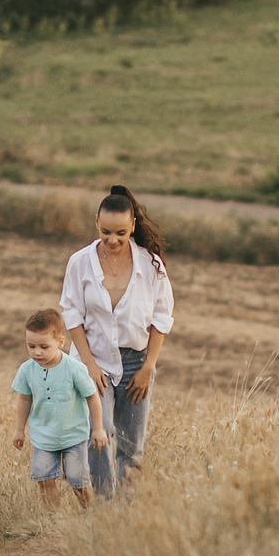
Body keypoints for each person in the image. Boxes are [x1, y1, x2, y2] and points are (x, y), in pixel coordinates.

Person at [59, 185, 174, 499]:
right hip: (93, 359)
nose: (113, 240)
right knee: (100, 433)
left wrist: (149, 366)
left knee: (131, 445)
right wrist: (89, 365)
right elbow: (72, 314)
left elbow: (162, 318)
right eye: (106, 231)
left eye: (121, 233)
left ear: (133, 226)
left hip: (137, 361)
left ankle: (125, 512)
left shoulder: (151, 265)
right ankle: (104, 505)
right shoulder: (80, 262)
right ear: (96, 222)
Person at [11, 307, 106, 512]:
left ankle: (89, 514)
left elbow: (92, 396)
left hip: (73, 435)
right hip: (43, 436)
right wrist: (19, 429)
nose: (37, 352)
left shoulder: (74, 369)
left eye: (44, 346)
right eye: (31, 346)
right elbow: (24, 399)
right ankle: (54, 520)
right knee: (44, 478)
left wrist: (98, 428)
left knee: (77, 479)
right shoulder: (26, 369)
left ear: (60, 342)